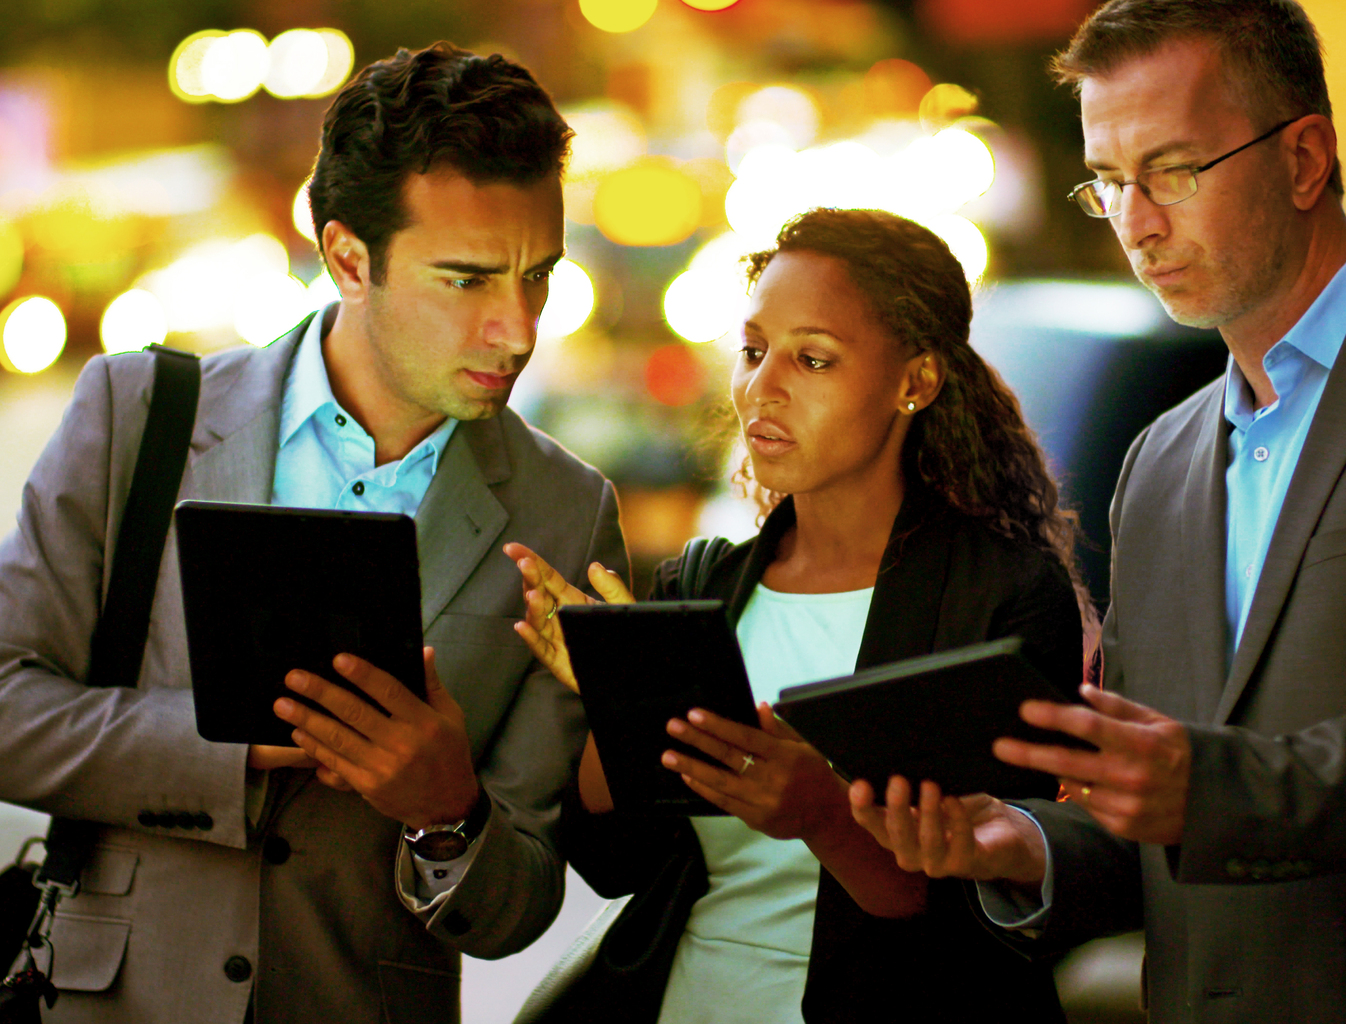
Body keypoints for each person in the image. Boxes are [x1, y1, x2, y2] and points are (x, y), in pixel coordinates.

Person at [852, 2, 1346, 1022]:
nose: (1137, 221)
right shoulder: (1160, 458)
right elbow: (1156, 804)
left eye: (1173, 170)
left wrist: (1214, 790)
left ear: (1305, 159)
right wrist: (1022, 841)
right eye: (1110, 182)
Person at [0, 43, 626, 1023]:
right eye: (465, 279)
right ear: (347, 257)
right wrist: (234, 751)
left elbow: (522, 903)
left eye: (537, 276)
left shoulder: (567, 507)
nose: (518, 329)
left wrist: (447, 813)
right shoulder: (138, 414)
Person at [506, 207, 1090, 1024]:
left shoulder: (1002, 594)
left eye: (812, 358)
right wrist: (617, 697)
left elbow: (983, 912)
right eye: (752, 352)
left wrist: (820, 812)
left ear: (914, 382)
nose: (761, 387)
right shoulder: (706, 584)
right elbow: (617, 862)